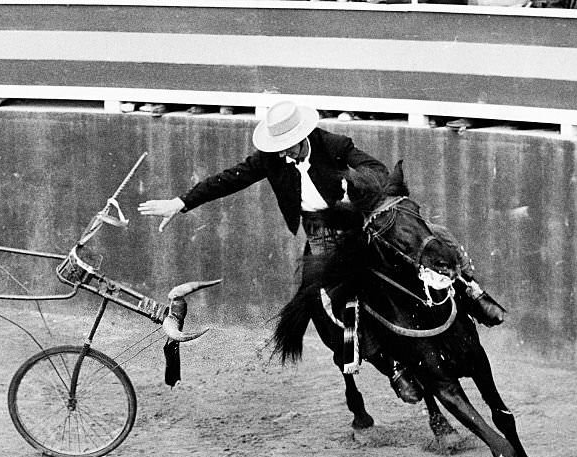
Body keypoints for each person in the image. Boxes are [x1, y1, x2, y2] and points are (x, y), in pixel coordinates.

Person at [138, 100, 504, 400]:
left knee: (431, 240)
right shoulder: (271, 160)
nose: (284, 154)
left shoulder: (332, 144)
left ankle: (474, 294)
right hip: (320, 240)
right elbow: (230, 179)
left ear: (302, 138)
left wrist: (354, 183)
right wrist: (180, 202)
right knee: (326, 303)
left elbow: (374, 167)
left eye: (289, 146)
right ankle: (392, 367)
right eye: (278, 149)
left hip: (355, 227)